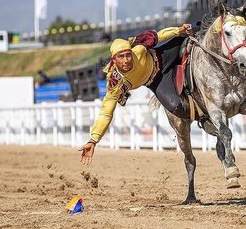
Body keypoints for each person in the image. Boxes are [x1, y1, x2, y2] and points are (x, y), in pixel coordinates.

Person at [79, 24, 194, 165]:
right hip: (156, 81)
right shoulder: (115, 83)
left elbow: (159, 36)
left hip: (163, 56)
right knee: (177, 108)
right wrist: (93, 140)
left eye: (128, 55)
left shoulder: (138, 50)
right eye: (121, 57)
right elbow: (106, 112)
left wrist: (179, 30)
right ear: (114, 60)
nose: (127, 60)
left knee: (189, 39)